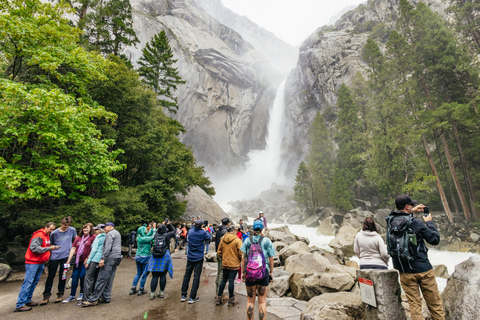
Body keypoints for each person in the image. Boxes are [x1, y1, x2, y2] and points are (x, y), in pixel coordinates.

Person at [387, 195, 445, 320]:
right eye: (411, 205)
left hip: (404, 270)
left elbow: (396, 215)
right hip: (423, 270)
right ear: (407, 206)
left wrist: (412, 211)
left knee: (414, 305)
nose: (413, 206)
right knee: (435, 304)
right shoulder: (416, 223)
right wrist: (429, 222)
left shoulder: (390, 221)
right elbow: (434, 239)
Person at [15, 222, 59, 312]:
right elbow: (34, 248)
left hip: (40, 262)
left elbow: (44, 247)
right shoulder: (39, 235)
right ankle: (20, 304)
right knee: (28, 282)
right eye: (50, 229)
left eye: (53, 229)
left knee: (34, 282)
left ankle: (27, 299)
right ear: (45, 227)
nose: (51, 231)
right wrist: (49, 249)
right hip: (32, 262)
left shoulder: (47, 235)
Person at [241, 220, 276, 320]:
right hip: (263, 273)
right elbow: (271, 258)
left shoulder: (248, 240)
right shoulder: (266, 241)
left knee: (250, 301)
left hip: (250, 273)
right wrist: (271, 273)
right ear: (261, 229)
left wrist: (243, 272)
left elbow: (243, 258)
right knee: (262, 302)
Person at [82, 222, 122, 307]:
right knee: (110, 278)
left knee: (101, 278)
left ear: (110, 226)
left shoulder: (109, 234)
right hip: (117, 257)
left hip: (110, 258)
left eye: (105, 227)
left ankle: (93, 300)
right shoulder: (117, 233)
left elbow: (107, 247)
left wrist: (103, 259)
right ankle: (106, 297)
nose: (104, 229)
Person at [40, 216, 76, 305]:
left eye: (68, 225)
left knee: (63, 276)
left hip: (66, 257)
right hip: (55, 256)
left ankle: (60, 294)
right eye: (64, 225)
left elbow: (75, 240)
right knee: (51, 276)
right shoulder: (54, 233)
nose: (66, 227)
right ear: (61, 223)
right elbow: (50, 244)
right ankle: (46, 295)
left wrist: (74, 252)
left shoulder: (72, 230)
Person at [62, 223, 96, 303]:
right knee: (74, 277)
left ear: (91, 229)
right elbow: (73, 248)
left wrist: (88, 258)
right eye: (84, 228)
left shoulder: (93, 237)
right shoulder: (78, 238)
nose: (85, 230)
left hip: (86, 261)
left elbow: (94, 248)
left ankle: (82, 293)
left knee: (82, 276)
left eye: (87, 228)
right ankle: (72, 295)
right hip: (78, 261)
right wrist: (69, 260)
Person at [180, 219, 212, 303]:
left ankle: (183, 295)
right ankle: (192, 297)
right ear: (202, 226)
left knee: (187, 275)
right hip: (198, 257)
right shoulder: (203, 233)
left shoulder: (190, 231)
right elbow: (209, 238)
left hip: (190, 257)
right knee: (196, 277)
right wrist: (206, 230)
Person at [146, 221, 176, 300]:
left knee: (154, 276)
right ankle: (161, 292)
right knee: (163, 275)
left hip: (155, 256)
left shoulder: (155, 234)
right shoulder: (167, 235)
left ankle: (152, 293)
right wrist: (169, 224)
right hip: (164, 255)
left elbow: (153, 231)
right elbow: (174, 231)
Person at [216, 225, 242, 306]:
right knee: (231, 280)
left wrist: (224, 258)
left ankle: (218, 298)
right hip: (234, 264)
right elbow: (241, 253)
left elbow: (219, 252)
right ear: (234, 230)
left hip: (225, 263)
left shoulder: (222, 239)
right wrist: (240, 260)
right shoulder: (237, 240)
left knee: (224, 280)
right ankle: (231, 300)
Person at [82, 224, 106, 305]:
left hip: (94, 259)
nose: (95, 231)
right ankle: (97, 296)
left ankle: (86, 298)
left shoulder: (98, 237)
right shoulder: (106, 237)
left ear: (100, 230)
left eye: (96, 229)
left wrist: (88, 261)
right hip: (101, 260)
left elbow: (94, 250)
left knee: (88, 279)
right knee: (97, 279)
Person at [129, 223, 155, 296]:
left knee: (138, 273)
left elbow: (148, 235)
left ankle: (133, 289)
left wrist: (151, 229)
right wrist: (154, 228)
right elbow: (153, 236)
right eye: (145, 230)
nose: (146, 230)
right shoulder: (145, 239)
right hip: (145, 257)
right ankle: (141, 289)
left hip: (138, 256)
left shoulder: (139, 237)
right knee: (144, 274)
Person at [215, 217, 230, 297]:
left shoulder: (218, 230)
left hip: (218, 252)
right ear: (228, 224)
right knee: (222, 274)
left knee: (219, 272)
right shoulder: (225, 232)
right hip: (222, 254)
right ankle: (219, 294)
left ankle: (217, 291)